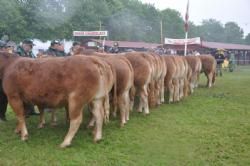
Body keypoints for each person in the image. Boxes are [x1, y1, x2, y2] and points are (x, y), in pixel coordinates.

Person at [15, 39, 39, 116]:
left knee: (30, 94)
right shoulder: (17, 52)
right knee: (23, 95)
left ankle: (31, 110)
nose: (31, 48)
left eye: (31, 46)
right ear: (25, 45)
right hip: (21, 76)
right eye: (30, 46)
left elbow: (34, 60)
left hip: (30, 75)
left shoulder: (30, 52)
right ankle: (24, 112)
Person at [0, 40, 9, 121]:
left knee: (4, 98)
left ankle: (2, 115)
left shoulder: (6, 57)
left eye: (5, 47)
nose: (5, 49)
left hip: (4, 79)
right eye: (3, 48)